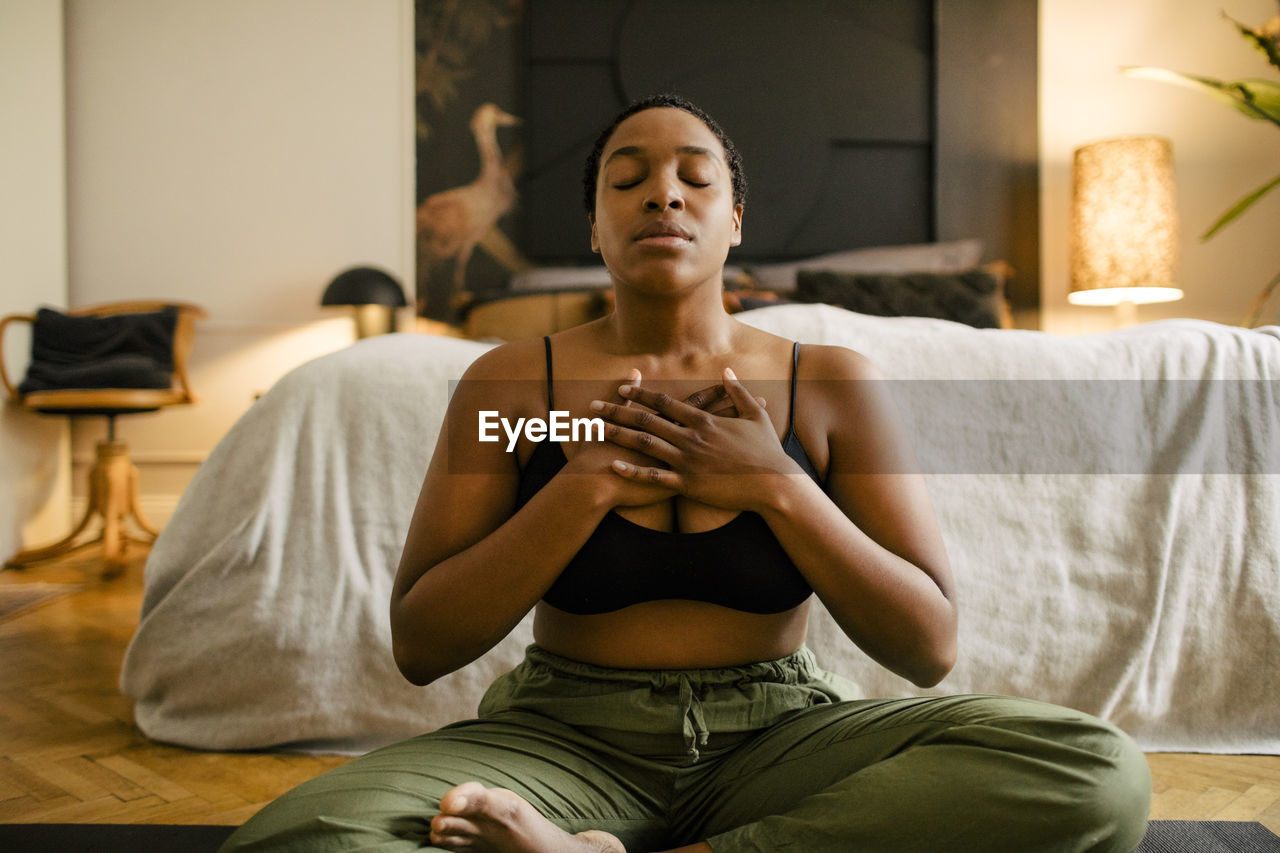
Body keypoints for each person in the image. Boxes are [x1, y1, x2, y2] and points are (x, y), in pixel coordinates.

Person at [221, 94, 1151, 853]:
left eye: (694, 179)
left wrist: (774, 485)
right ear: (594, 224)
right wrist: (583, 486)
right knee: (299, 840)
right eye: (627, 180)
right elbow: (422, 644)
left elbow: (926, 645)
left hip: (782, 737)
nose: (662, 195)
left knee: (1095, 771)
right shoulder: (511, 384)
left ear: (733, 219)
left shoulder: (830, 384)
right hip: (562, 736)